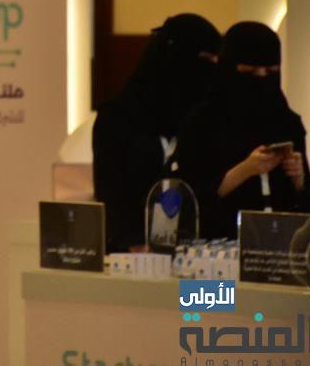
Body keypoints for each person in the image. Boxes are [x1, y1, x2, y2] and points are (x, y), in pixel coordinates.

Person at [176, 21, 310, 240]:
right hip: (217, 251)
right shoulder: (202, 123)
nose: (262, 78)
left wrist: (298, 179)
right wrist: (244, 170)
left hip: (279, 250)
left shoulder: (285, 121)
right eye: (250, 71)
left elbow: (308, 214)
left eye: (271, 72)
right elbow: (189, 201)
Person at [92, 14, 221, 252]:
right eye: (204, 60)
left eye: (216, 61)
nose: (209, 71)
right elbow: (111, 191)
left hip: (199, 257)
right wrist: (131, 243)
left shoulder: (206, 117)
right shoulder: (118, 117)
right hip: (132, 258)